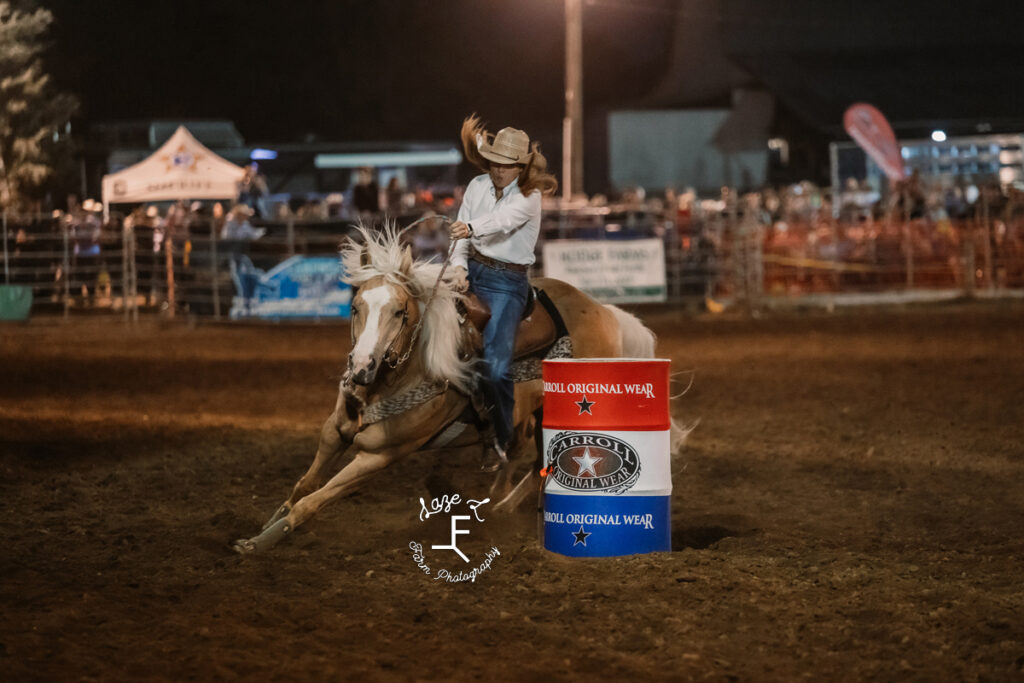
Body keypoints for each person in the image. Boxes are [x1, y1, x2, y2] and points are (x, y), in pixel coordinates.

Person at [446, 114, 558, 471]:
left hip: (507, 284)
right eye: (495, 163)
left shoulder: (530, 196)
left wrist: (470, 228)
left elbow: (503, 221)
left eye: (507, 166)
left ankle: (503, 436)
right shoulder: (477, 186)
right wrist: (459, 269)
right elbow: (460, 241)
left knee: (495, 367)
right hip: (474, 271)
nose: (499, 171)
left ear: (521, 168)